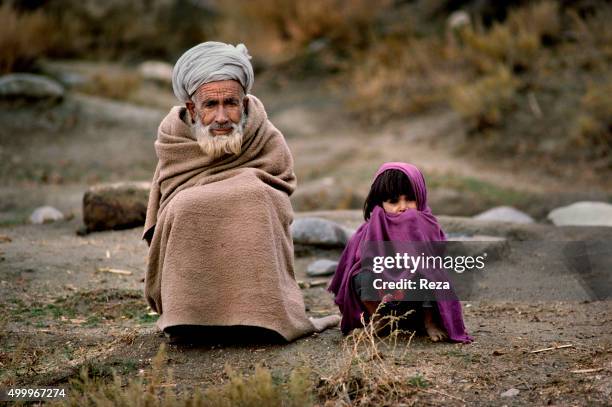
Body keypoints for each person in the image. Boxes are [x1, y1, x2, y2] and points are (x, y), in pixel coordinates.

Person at [142, 41, 339, 343]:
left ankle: (260, 314)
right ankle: (190, 316)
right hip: (185, 223)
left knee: (253, 195)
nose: (222, 117)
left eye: (231, 103)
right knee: (185, 204)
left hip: (252, 210)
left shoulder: (264, 134)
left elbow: (281, 185)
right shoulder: (174, 136)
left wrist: (242, 184)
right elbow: (170, 195)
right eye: (210, 105)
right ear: (192, 109)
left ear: (244, 104)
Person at [328, 162, 472, 343]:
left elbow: (438, 271)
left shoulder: (427, 224)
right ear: (379, 203)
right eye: (394, 201)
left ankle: (430, 322)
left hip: (418, 304)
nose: (403, 207)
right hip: (384, 299)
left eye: (410, 199)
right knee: (360, 275)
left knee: (427, 273)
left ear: (420, 197)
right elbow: (352, 267)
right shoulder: (372, 228)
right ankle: (379, 319)